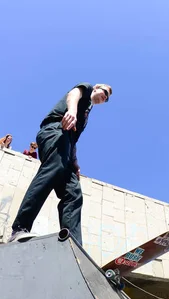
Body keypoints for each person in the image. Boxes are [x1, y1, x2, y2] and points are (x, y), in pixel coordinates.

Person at [8, 82, 112, 245]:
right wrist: (71, 110)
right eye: (104, 93)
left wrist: (75, 162)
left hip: (67, 144)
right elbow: (74, 94)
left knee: (73, 191)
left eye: (106, 99)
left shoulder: (85, 115)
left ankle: (72, 243)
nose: (104, 97)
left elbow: (74, 141)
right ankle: (20, 228)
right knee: (53, 169)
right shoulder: (87, 91)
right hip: (55, 130)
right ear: (97, 88)